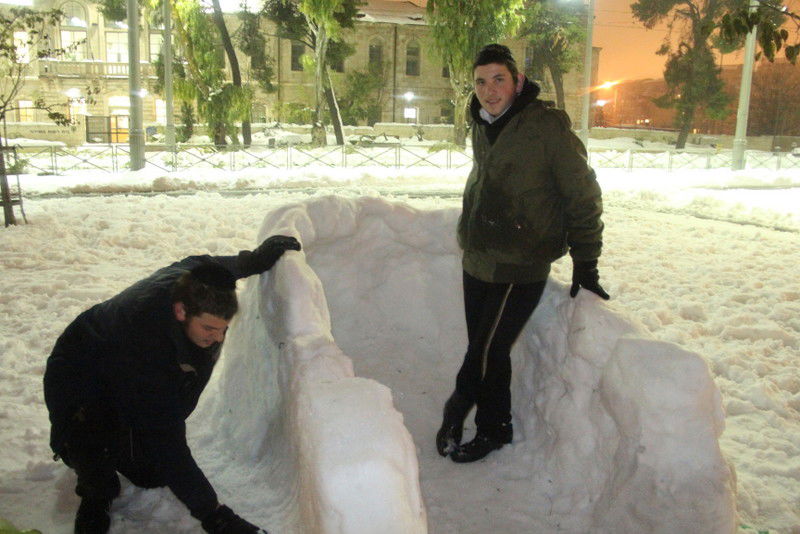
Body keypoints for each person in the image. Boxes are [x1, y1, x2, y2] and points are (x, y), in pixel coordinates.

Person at [44, 235, 301, 534]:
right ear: (181, 313)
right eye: (208, 328)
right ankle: (94, 487)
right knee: (97, 444)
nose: (217, 338)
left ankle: (116, 441)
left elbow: (208, 264)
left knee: (151, 474)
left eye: (223, 330)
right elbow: (168, 442)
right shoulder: (147, 346)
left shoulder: (195, 286)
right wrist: (213, 515)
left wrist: (253, 261)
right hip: (80, 373)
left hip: (127, 367)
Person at [436, 44, 609, 463]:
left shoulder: (545, 127)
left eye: (499, 79)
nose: (489, 90)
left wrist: (586, 260)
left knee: (487, 351)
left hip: (521, 261)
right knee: (486, 349)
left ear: (517, 81)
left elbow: (583, 194)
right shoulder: (481, 122)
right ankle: (498, 426)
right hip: (477, 257)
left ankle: (460, 411)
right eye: (481, 81)